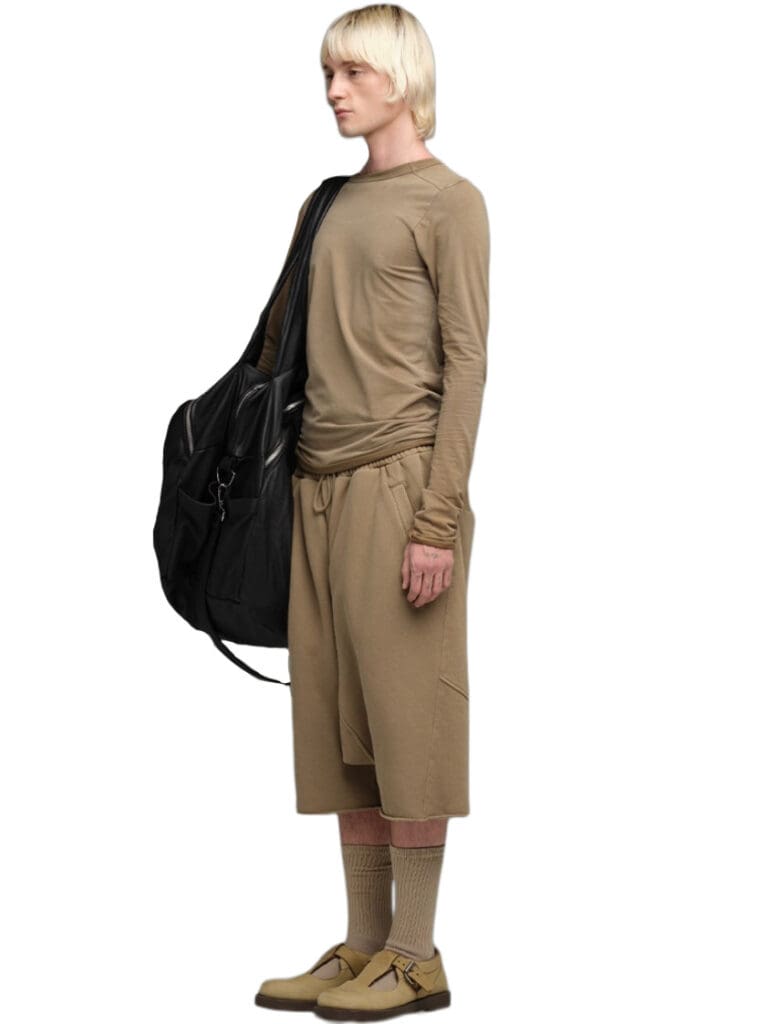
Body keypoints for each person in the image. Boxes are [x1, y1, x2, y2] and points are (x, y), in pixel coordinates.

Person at [254, 5, 490, 1019]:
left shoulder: (450, 201)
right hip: (314, 489)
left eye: (352, 72)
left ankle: (415, 953)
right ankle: (362, 945)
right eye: (327, 75)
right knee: (338, 731)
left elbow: (468, 365)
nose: (334, 91)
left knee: (408, 722)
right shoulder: (328, 204)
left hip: (400, 485)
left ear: (401, 77)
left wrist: (436, 521)